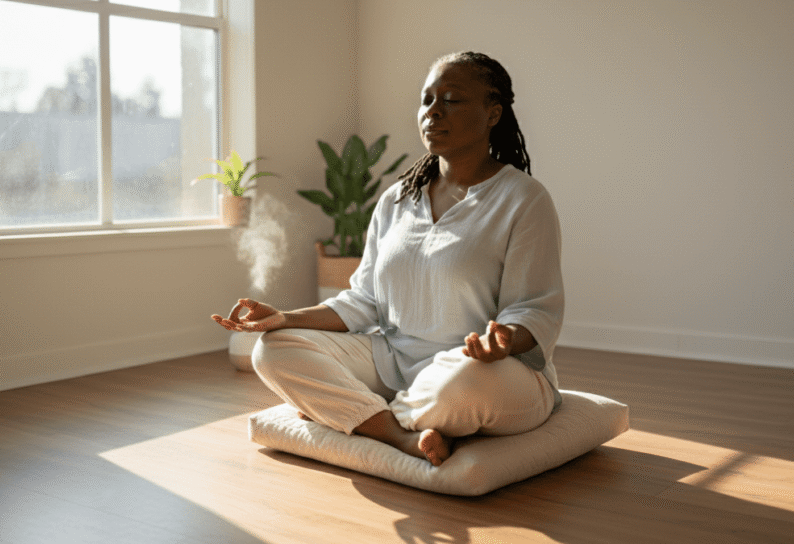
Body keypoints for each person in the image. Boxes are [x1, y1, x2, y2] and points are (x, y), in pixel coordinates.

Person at [212, 51, 563, 467]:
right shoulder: (397, 200)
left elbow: (533, 308)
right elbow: (363, 300)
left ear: (493, 113)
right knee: (272, 351)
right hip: (393, 362)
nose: (433, 112)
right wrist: (285, 319)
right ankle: (398, 435)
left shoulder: (523, 199)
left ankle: (355, 412)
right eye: (427, 100)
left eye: (451, 99)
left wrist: (504, 339)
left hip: (482, 372)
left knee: (460, 385)